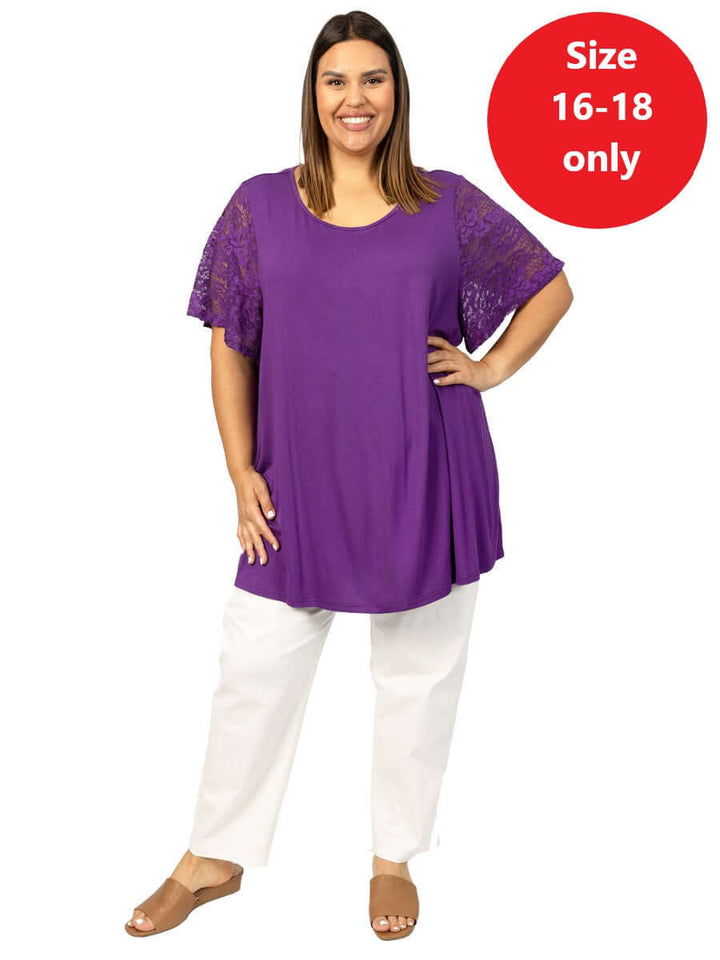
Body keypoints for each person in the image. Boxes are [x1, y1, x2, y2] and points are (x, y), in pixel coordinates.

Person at [125, 10, 573, 942]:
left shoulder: (447, 204)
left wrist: (489, 368)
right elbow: (229, 343)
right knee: (254, 667)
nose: (354, 98)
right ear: (313, 94)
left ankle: (392, 857)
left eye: (373, 79)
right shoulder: (259, 206)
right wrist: (238, 468)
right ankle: (212, 856)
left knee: (418, 674)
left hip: (426, 466)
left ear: (397, 93)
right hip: (298, 475)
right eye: (337, 81)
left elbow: (550, 285)